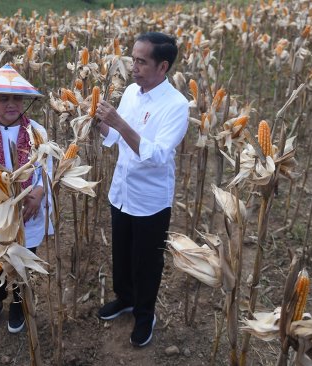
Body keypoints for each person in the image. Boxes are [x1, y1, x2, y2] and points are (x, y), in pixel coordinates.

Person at [94, 32, 189, 347]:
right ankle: (126, 299)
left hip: (150, 201)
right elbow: (117, 138)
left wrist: (119, 122)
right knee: (121, 253)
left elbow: (158, 155)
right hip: (121, 191)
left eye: (140, 61)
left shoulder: (176, 106)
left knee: (146, 262)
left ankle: (145, 314)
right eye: (133, 59)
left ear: (162, 66)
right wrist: (96, 122)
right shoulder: (132, 92)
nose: (133, 67)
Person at [0, 65, 53, 333]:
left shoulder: (36, 131)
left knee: (23, 259)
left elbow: (45, 169)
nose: (11, 104)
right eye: (3, 98)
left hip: (28, 212)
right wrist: (0, 198)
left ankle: (18, 304)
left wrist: (38, 192)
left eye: (17, 98)